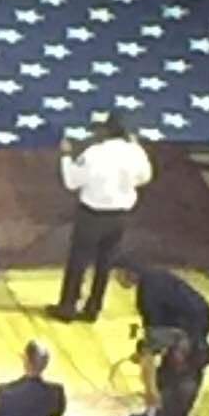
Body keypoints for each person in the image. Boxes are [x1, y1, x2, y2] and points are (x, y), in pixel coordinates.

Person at [56, 116, 153, 323]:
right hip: (119, 216)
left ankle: (67, 307)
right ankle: (93, 308)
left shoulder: (94, 154)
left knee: (79, 261)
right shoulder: (135, 152)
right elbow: (145, 177)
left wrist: (65, 156)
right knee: (105, 262)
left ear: (106, 132)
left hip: (92, 214)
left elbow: (71, 182)